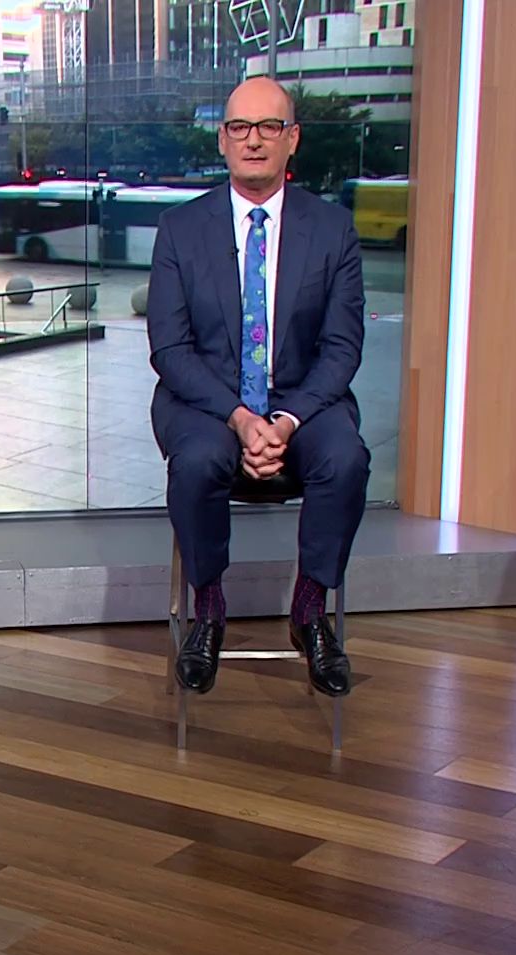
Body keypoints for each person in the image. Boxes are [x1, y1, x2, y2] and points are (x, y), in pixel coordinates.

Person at [149, 76, 371, 699]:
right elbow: (170, 349)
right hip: (207, 403)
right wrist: (242, 418)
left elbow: (343, 348)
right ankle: (209, 608)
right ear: (222, 140)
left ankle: (310, 609)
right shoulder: (180, 228)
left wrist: (286, 420)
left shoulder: (332, 229)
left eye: (269, 126)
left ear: (291, 139)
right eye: (240, 127)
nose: (254, 140)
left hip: (304, 403)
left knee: (347, 458)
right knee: (198, 461)